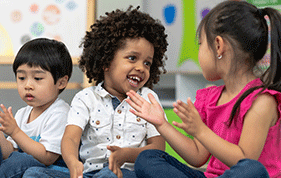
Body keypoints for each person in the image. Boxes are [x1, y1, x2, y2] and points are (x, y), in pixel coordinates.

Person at [126, 1, 281, 178]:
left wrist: (201, 131)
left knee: (252, 171)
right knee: (148, 158)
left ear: (218, 46)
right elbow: (197, 156)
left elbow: (245, 159)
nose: (199, 51)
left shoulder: (261, 102)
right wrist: (161, 123)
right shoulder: (211, 98)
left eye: (200, 43)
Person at [23, 6, 168, 178]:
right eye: (132, 58)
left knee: (109, 176)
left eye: (147, 63)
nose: (140, 68)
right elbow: (70, 138)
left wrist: (126, 154)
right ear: (105, 61)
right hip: (89, 173)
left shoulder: (148, 99)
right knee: (33, 174)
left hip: (129, 173)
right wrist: (73, 163)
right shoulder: (86, 98)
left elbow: (158, 147)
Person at [0, 38, 73, 177]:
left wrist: (15, 131)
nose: (28, 85)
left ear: (61, 82)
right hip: (24, 167)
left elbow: (47, 157)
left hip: (54, 171)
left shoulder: (61, 113)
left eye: (37, 78)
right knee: (14, 161)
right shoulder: (22, 114)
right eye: (21, 78)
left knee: (25, 167)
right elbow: (9, 152)